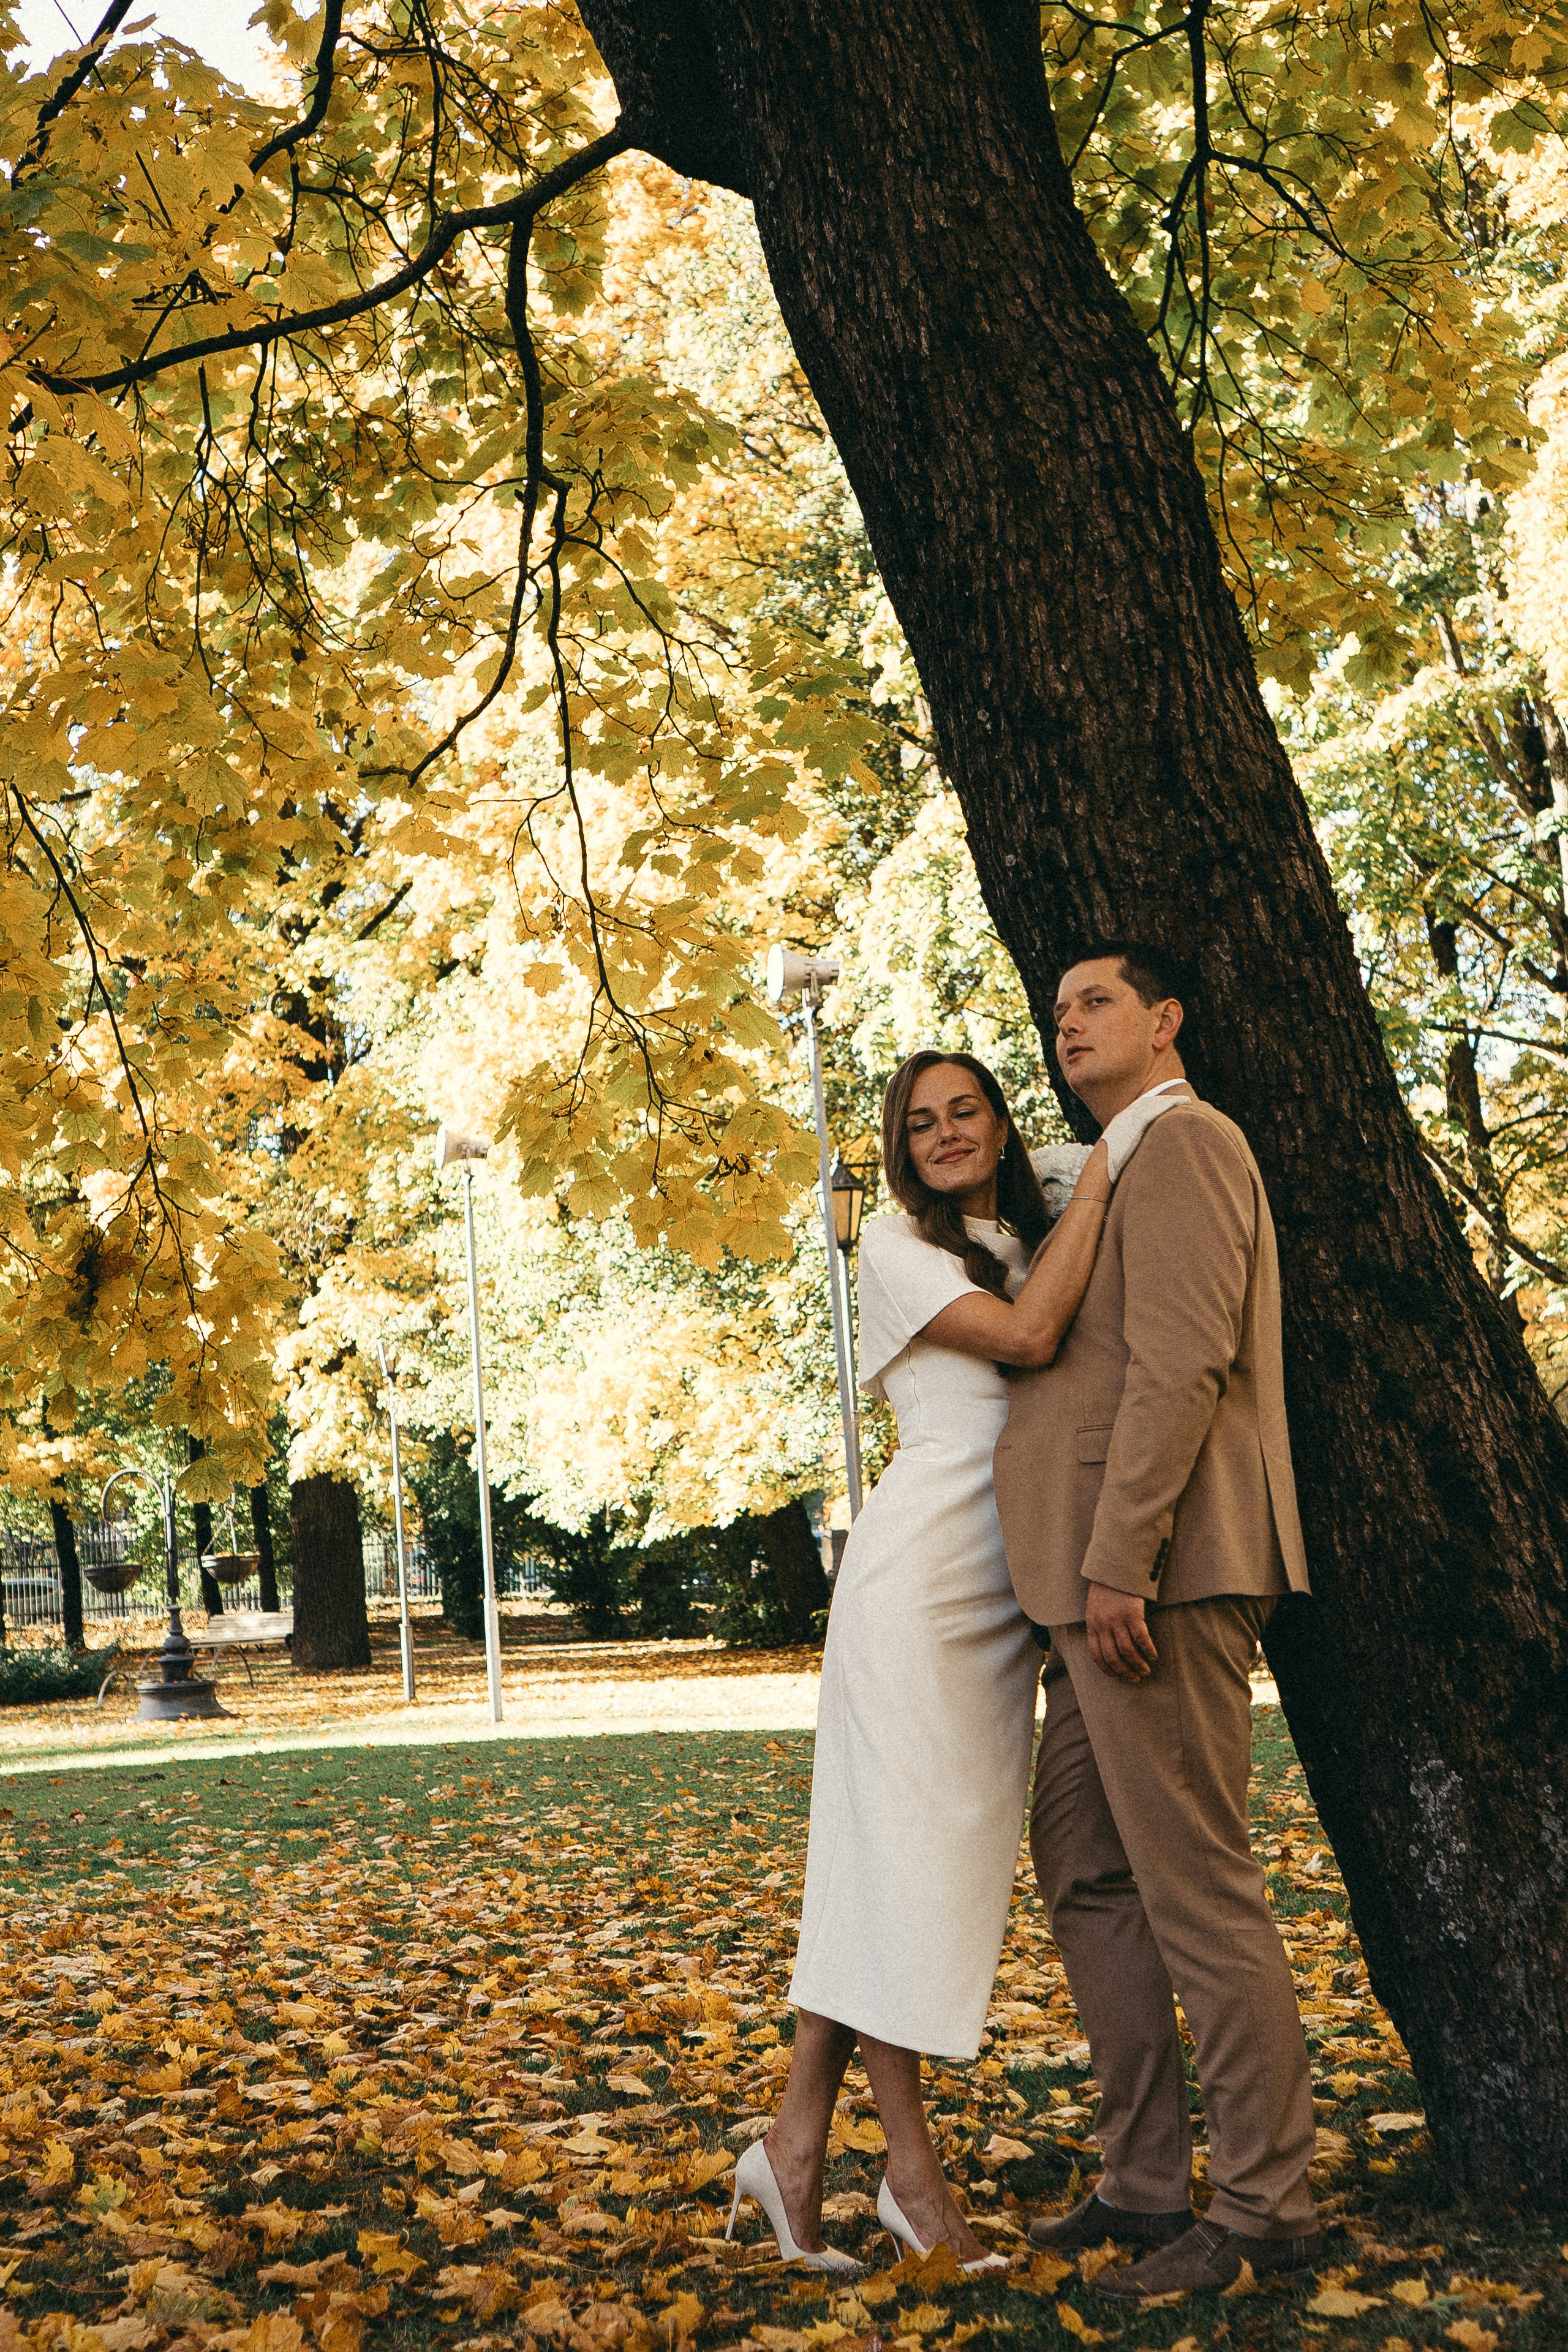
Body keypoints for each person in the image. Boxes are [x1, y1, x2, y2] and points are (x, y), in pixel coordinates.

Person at [728, 1048, 1163, 2274]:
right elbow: (1029, 1341)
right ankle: (909, 2180)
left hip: (1007, 1593)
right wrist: (1094, 1183)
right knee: (902, 1871)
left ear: (997, 1121)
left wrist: (1112, 1141)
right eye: (920, 1124)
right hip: (918, 1585)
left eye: (965, 1109)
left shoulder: (1027, 1227)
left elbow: (1126, 1137)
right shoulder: (896, 1252)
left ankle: (792, 2146)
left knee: (895, 1869)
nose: (945, 1132)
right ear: (899, 1151)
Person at [993, 940, 1319, 2303]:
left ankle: (1263, 2207)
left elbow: (1185, 1359)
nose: (1067, 1023)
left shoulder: (1182, 1143)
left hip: (1156, 1578)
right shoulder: (1115, 1162)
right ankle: (1140, 2184)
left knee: (1197, 1891)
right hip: (1085, 1592)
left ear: (1164, 1020)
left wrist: (1119, 1557)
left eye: (1096, 1001)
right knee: (1085, 1873)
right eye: (1056, 1008)